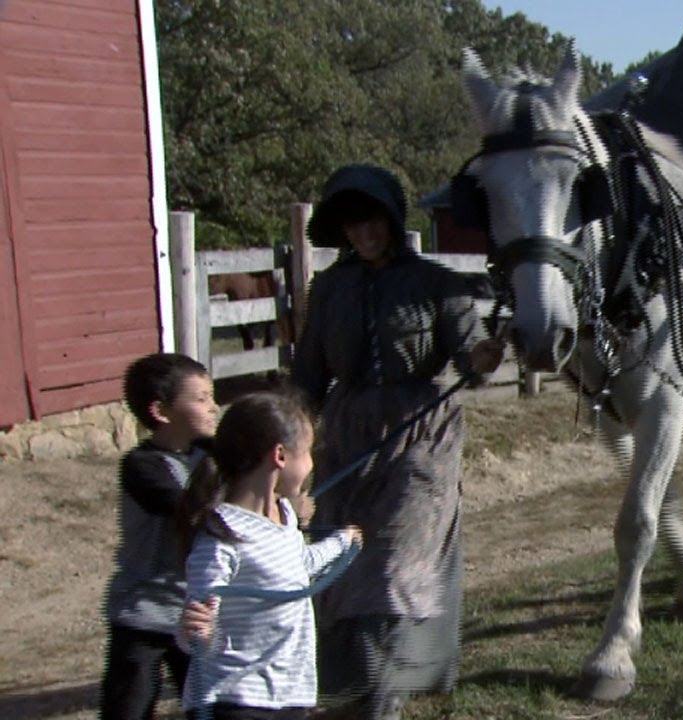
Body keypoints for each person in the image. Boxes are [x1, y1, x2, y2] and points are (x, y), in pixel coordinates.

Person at [292, 164, 503, 719]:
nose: (364, 235)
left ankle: (384, 695)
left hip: (420, 439)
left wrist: (482, 357)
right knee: (339, 563)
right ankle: (346, 685)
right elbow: (308, 376)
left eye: (373, 222)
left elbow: (470, 355)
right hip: (345, 437)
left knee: (394, 568)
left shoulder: (437, 283)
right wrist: (288, 440)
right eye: (352, 226)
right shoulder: (329, 288)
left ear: (392, 218)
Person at [175, 392, 362, 720]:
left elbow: (299, 566)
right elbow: (198, 623)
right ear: (279, 455)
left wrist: (342, 542)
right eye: (307, 453)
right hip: (236, 700)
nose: (312, 465)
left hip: (289, 694)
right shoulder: (222, 535)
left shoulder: (285, 515)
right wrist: (194, 632)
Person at [100, 353, 218, 720]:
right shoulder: (142, 466)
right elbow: (189, 513)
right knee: (129, 711)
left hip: (195, 613)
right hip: (144, 614)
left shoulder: (211, 454)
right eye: (201, 399)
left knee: (207, 708)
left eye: (212, 396)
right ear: (161, 412)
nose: (214, 408)